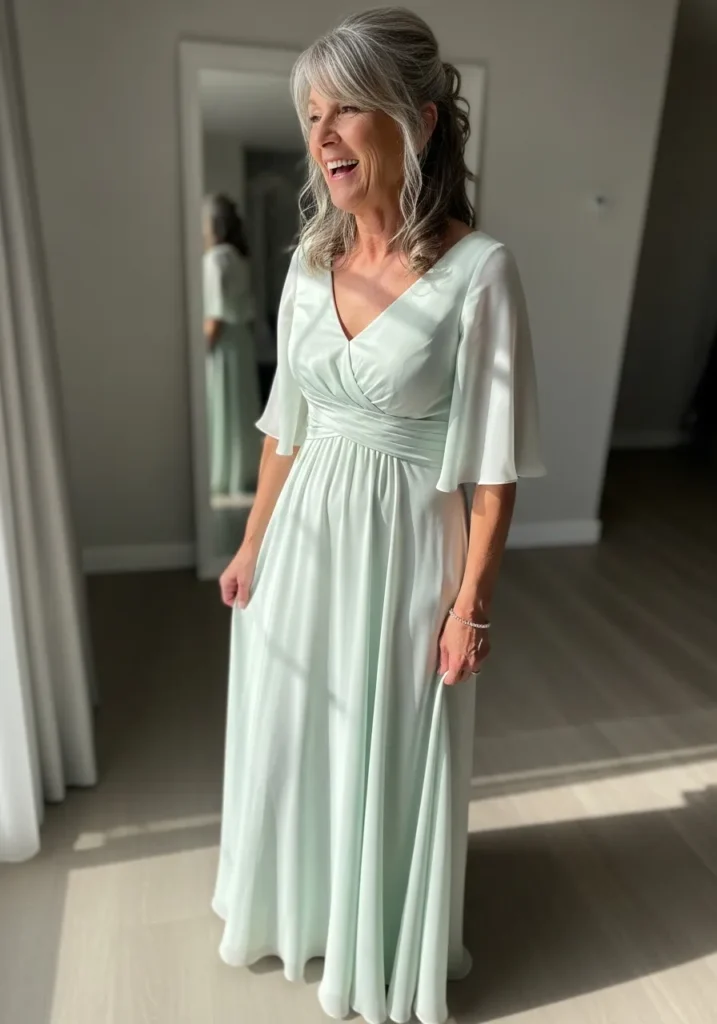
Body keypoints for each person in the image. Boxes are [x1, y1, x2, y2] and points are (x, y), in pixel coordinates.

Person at [213, 9, 545, 1024]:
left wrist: (471, 604)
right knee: (296, 734)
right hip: (300, 543)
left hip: (404, 551)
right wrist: (252, 543)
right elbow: (285, 426)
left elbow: (494, 470)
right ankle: (301, 910)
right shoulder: (305, 264)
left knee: (387, 749)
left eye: (346, 108)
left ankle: (376, 943)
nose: (322, 133)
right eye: (311, 112)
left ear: (419, 121)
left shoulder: (480, 272)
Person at [203, 194, 261, 495]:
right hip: (241, 343)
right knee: (239, 410)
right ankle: (241, 473)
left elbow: (215, 313)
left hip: (223, 345)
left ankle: (222, 476)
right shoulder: (239, 258)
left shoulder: (215, 259)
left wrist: (203, 347)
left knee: (222, 409)